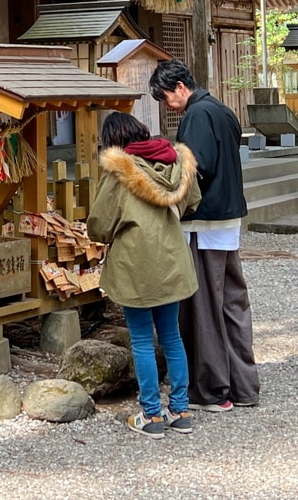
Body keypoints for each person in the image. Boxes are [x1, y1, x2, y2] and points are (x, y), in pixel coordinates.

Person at [149, 58, 260, 412]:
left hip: (204, 221)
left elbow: (196, 170)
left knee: (204, 309)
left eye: (166, 97)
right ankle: (244, 386)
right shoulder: (223, 110)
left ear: (181, 87)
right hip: (228, 217)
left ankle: (211, 390)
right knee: (232, 304)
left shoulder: (196, 115)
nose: (167, 104)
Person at [87, 111, 201, 440]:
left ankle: (151, 415)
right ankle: (180, 411)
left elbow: (100, 224)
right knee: (171, 336)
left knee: (141, 339)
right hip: (171, 258)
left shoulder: (119, 170)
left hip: (135, 263)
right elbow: (193, 200)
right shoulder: (176, 160)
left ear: (113, 141)